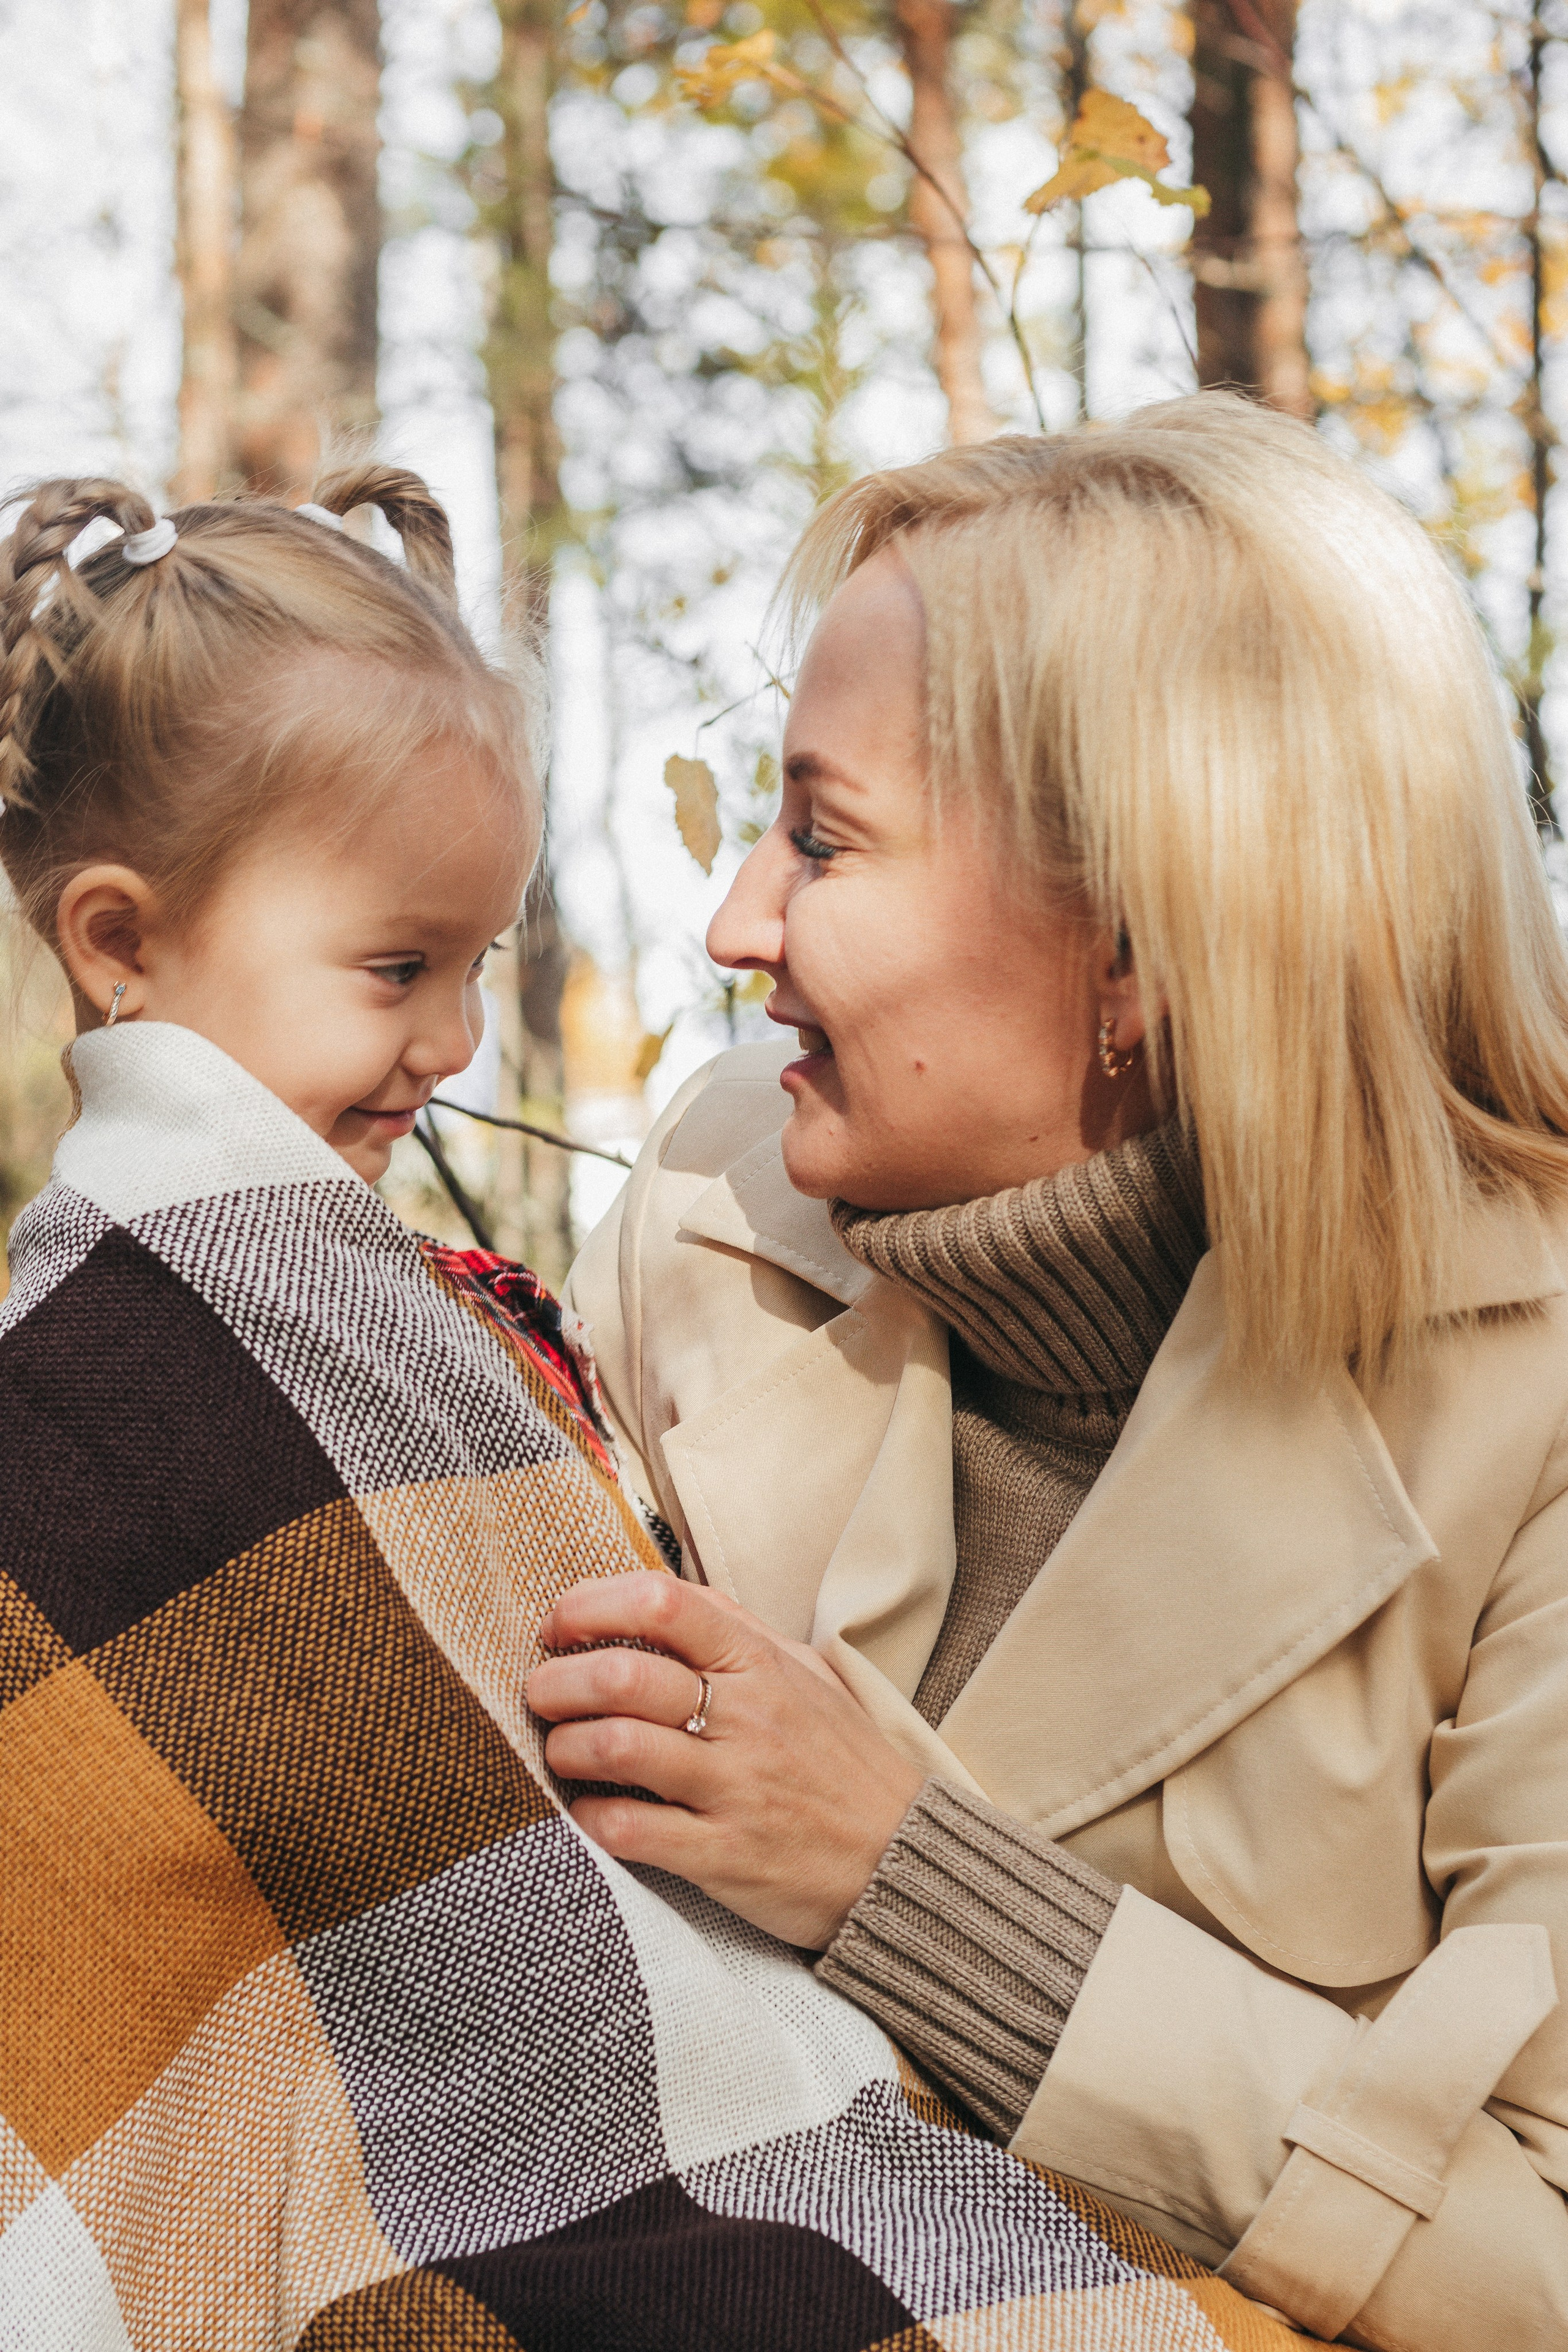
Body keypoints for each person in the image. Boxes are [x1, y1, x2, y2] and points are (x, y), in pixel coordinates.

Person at [0, 469, 1289, 2349]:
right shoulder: (135, 1346)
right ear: (118, 944)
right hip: (463, 2159)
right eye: (394, 970)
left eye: (475, 969)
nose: (451, 1048)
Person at [546, 392, 1568, 2350]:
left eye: (824, 839)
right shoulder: (704, 1195)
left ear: (1140, 949)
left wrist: (911, 1889)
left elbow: (1542, 2251)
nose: (735, 921)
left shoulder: (1536, 1406)